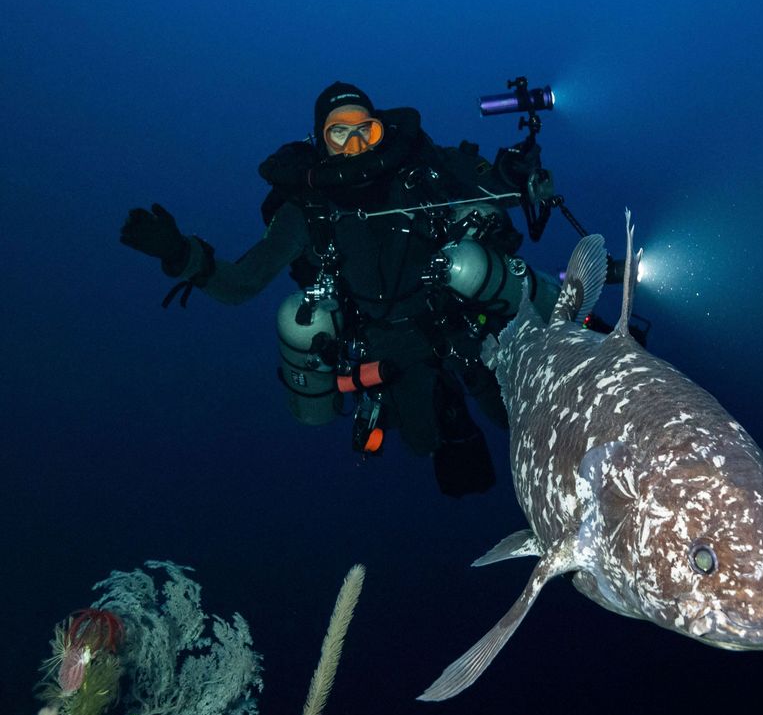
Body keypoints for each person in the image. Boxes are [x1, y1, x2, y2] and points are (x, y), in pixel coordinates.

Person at [120, 82, 560, 497]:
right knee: (424, 441)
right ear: (320, 142)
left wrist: (514, 171)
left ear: (381, 128)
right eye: (340, 134)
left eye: (365, 131)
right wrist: (180, 254)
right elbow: (241, 284)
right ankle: (450, 417)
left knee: (523, 413)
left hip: (459, 318)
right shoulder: (306, 212)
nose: (356, 146)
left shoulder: (423, 171)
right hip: (386, 348)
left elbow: (498, 192)